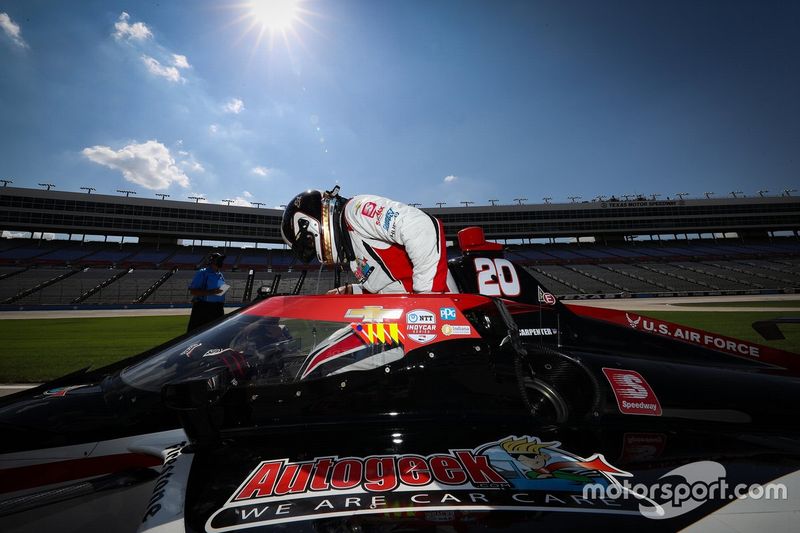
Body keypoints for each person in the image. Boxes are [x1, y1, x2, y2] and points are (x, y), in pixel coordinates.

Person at [280, 186, 456, 294]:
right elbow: (387, 285)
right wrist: (353, 290)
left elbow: (420, 226)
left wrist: (427, 297)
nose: (314, 251)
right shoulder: (349, 246)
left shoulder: (356, 210)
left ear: (310, 224)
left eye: (309, 243)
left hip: (434, 312)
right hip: (405, 311)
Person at [187, 252, 227, 332]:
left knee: (216, 333)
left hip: (218, 308)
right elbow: (193, 291)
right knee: (198, 333)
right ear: (212, 261)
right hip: (204, 308)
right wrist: (211, 292)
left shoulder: (220, 274)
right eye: (219, 260)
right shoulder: (203, 273)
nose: (221, 262)